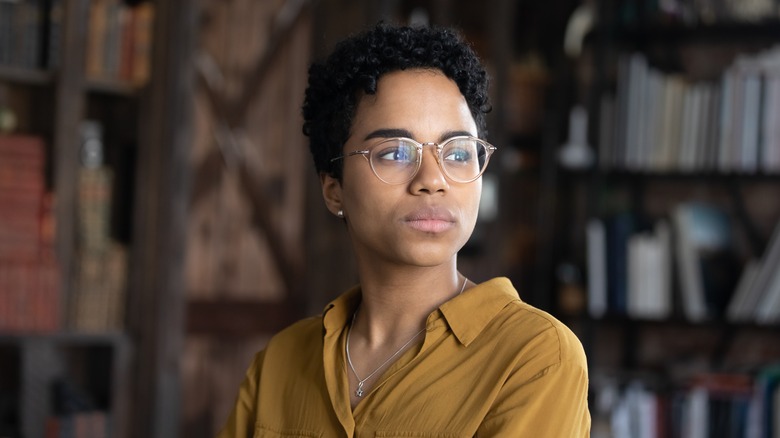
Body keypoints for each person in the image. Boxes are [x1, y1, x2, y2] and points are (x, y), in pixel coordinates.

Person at [218, 22, 590, 437]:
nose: (433, 179)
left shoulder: (535, 356)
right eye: (395, 152)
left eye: (458, 152)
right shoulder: (279, 362)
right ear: (334, 189)